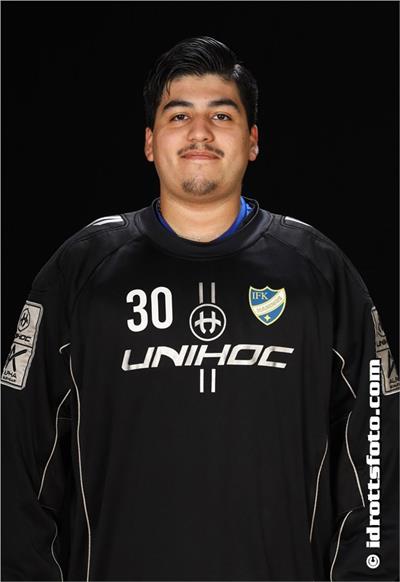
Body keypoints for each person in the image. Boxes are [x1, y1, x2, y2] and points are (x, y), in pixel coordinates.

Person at [2, 36, 398, 582]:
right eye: (179, 115)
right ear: (149, 141)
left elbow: (380, 455)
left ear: (253, 141)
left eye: (222, 115)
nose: (200, 133)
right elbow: (15, 463)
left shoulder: (319, 272)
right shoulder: (83, 271)